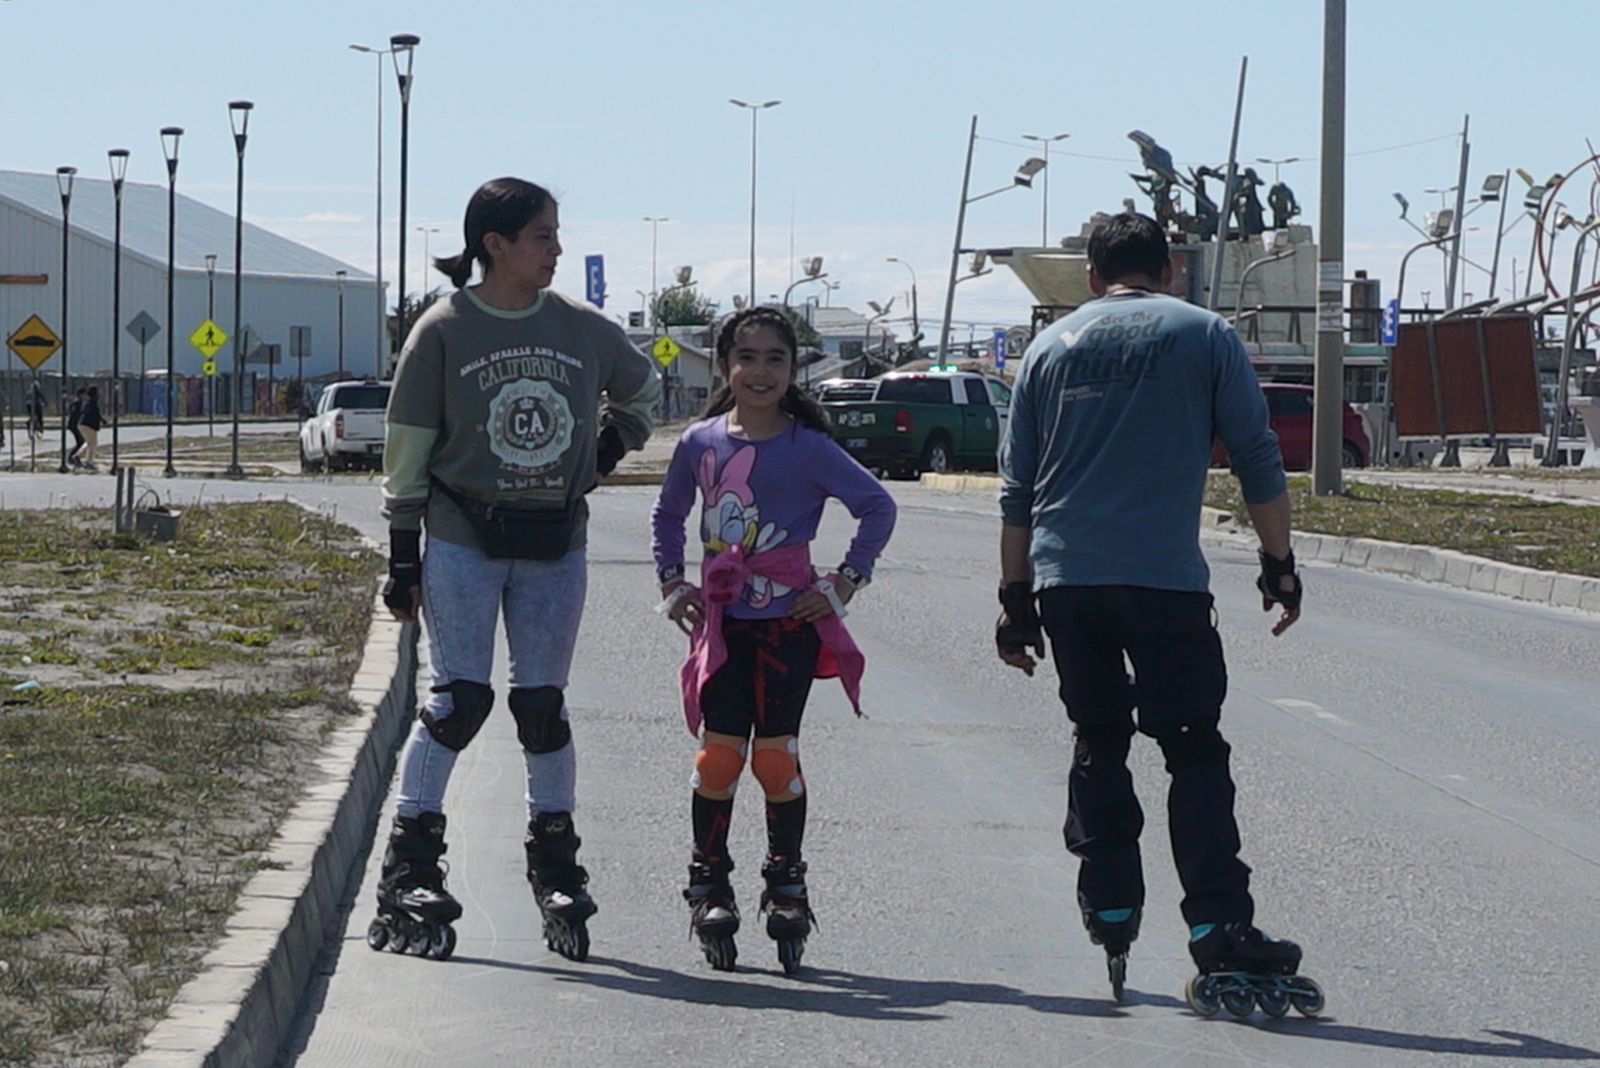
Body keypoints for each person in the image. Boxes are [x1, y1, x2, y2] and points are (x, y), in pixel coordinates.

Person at [996, 212, 1319, 1014]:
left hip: (1067, 583)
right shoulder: (1204, 335)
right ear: (1170, 268)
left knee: (1098, 741)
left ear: (1092, 276)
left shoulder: (1047, 349)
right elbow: (1257, 457)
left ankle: (1110, 903)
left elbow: (1016, 492)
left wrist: (1013, 603)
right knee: (1193, 750)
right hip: (1166, 584)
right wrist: (1279, 566)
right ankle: (1218, 928)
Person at [375, 177, 662, 963]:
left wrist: (606, 447)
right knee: (460, 699)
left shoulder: (583, 328)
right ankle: (411, 862)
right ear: (494, 245)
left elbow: (648, 390)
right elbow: (406, 453)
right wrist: (404, 561)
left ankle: (556, 862)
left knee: (541, 705)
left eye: (557, 233)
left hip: (554, 544)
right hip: (463, 535)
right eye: (542, 235)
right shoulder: (443, 330)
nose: (557, 248)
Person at [650, 306, 897, 973]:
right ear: (727, 364)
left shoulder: (808, 448)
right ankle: (710, 883)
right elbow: (669, 512)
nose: (760, 372)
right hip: (724, 626)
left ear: (794, 370)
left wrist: (845, 583)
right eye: (747, 357)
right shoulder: (701, 442)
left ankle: (785, 881)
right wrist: (674, 583)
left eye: (776, 359)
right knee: (718, 761)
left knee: (776, 761)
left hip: (787, 626)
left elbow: (878, 506)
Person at [76, 386, 103, 469]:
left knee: (89, 443)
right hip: (88, 425)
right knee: (93, 444)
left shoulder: (88, 401)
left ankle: (78, 456)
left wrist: (101, 420)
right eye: (98, 391)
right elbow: (93, 414)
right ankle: (88, 463)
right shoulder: (92, 401)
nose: (100, 393)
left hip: (83, 424)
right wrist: (98, 423)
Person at [65, 387, 85, 467]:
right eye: (84, 394)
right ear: (80, 394)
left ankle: (73, 457)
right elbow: (74, 413)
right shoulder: (78, 403)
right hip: (74, 425)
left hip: (75, 425)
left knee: (80, 442)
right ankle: (72, 457)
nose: (85, 396)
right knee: (81, 441)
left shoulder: (77, 402)